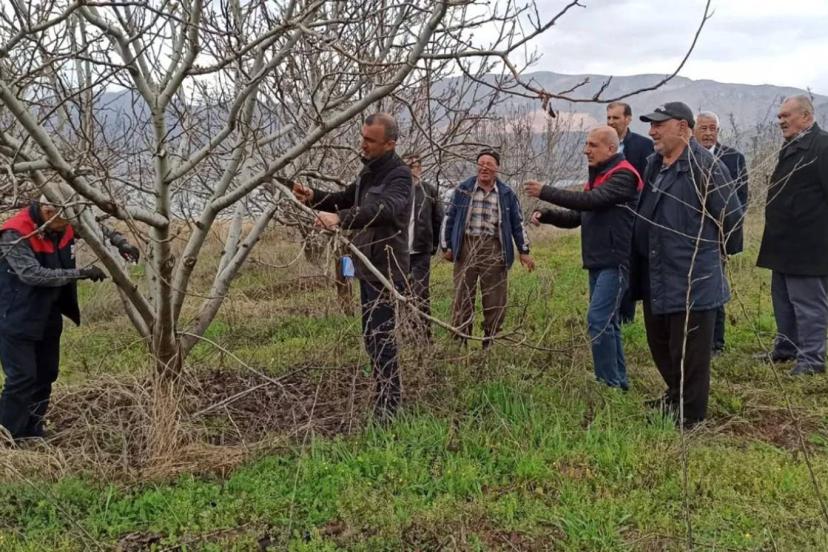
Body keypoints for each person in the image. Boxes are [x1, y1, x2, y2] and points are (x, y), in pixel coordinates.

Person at [292, 113, 412, 418]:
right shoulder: (368, 172)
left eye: (370, 140)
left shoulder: (399, 176)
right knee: (371, 336)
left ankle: (389, 406)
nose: (363, 144)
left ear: (390, 144)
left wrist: (341, 219)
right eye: (363, 137)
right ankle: (382, 395)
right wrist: (314, 197)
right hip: (366, 266)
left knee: (382, 337)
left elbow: (385, 209)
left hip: (385, 269)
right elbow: (345, 198)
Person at [632, 102, 741, 427]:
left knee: (690, 353)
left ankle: (691, 416)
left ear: (682, 127)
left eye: (659, 125)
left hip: (693, 277)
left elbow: (732, 219)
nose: (652, 131)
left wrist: (711, 258)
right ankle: (675, 395)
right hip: (657, 273)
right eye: (651, 125)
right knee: (661, 344)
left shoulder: (704, 166)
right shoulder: (654, 164)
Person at [0, 198, 139, 442]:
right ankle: (8, 436)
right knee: (22, 377)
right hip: (14, 314)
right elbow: (32, 274)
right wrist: (80, 273)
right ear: (47, 211)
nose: (68, 228)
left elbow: (95, 228)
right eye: (64, 222)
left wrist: (121, 243)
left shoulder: (66, 221)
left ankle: (32, 431)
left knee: (46, 374)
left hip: (48, 312)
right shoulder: (15, 232)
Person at [525, 127, 642, 389]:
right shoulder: (599, 176)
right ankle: (617, 382)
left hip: (616, 262)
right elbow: (579, 216)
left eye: (592, 145)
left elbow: (590, 201)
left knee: (598, 320)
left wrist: (545, 191)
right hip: (598, 262)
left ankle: (608, 383)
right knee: (608, 323)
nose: (586, 150)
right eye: (586, 144)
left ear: (610, 148)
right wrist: (548, 215)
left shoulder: (623, 175)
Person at [756, 95, 828, 376]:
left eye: (786, 115)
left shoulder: (823, 146)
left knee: (809, 303)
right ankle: (786, 348)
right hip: (782, 243)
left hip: (808, 245)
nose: (780, 121)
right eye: (779, 116)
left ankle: (812, 359)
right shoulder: (792, 145)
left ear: (806, 116)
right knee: (783, 301)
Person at [441, 150, 534, 349]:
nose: (484, 167)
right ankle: (460, 340)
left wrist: (524, 251)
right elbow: (449, 218)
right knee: (462, 296)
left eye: (489, 164)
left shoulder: (507, 193)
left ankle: (490, 340)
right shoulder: (463, 189)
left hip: (494, 248)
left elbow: (517, 224)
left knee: (495, 297)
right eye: (481, 163)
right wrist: (446, 246)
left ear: (497, 168)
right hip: (466, 246)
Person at [694, 111, 749, 355]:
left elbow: (741, 199)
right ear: (694, 130)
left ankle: (716, 342)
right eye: (703, 128)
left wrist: (728, 233)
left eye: (712, 128)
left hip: (719, 237)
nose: (708, 133)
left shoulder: (733, 158)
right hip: (690, 235)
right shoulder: (688, 157)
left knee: (714, 287)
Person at [606, 101, 654, 324]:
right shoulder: (603, 144)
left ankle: (626, 316)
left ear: (628, 119)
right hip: (608, 217)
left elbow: (649, 181)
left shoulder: (644, 146)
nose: (611, 122)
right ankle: (611, 312)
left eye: (616, 118)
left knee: (631, 264)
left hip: (634, 216)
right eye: (608, 118)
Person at [404, 153, 443, 342]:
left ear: (420, 168)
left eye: (414, 166)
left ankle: (425, 336)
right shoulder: (398, 191)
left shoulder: (429, 191)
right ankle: (405, 334)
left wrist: (433, 246)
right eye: (407, 167)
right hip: (398, 252)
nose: (411, 170)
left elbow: (438, 219)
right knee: (401, 294)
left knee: (421, 294)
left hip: (421, 252)